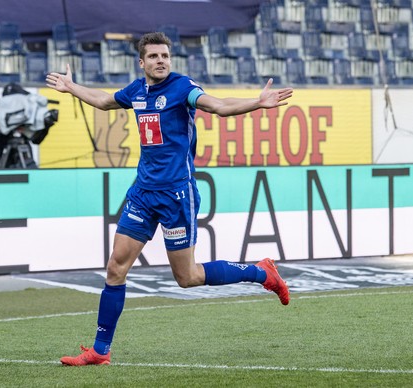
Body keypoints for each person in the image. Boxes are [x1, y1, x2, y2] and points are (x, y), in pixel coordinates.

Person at [46, 31, 293, 367]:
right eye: (153, 57)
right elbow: (105, 101)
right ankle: (100, 350)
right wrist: (72, 88)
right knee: (116, 267)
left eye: (164, 56)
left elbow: (218, 107)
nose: (160, 61)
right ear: (142, 62)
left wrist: (256, 103)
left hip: (177, 194)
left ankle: (261, 272)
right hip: (143, 193)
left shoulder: (181, 87)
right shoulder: (136, 91)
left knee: (187, 277)